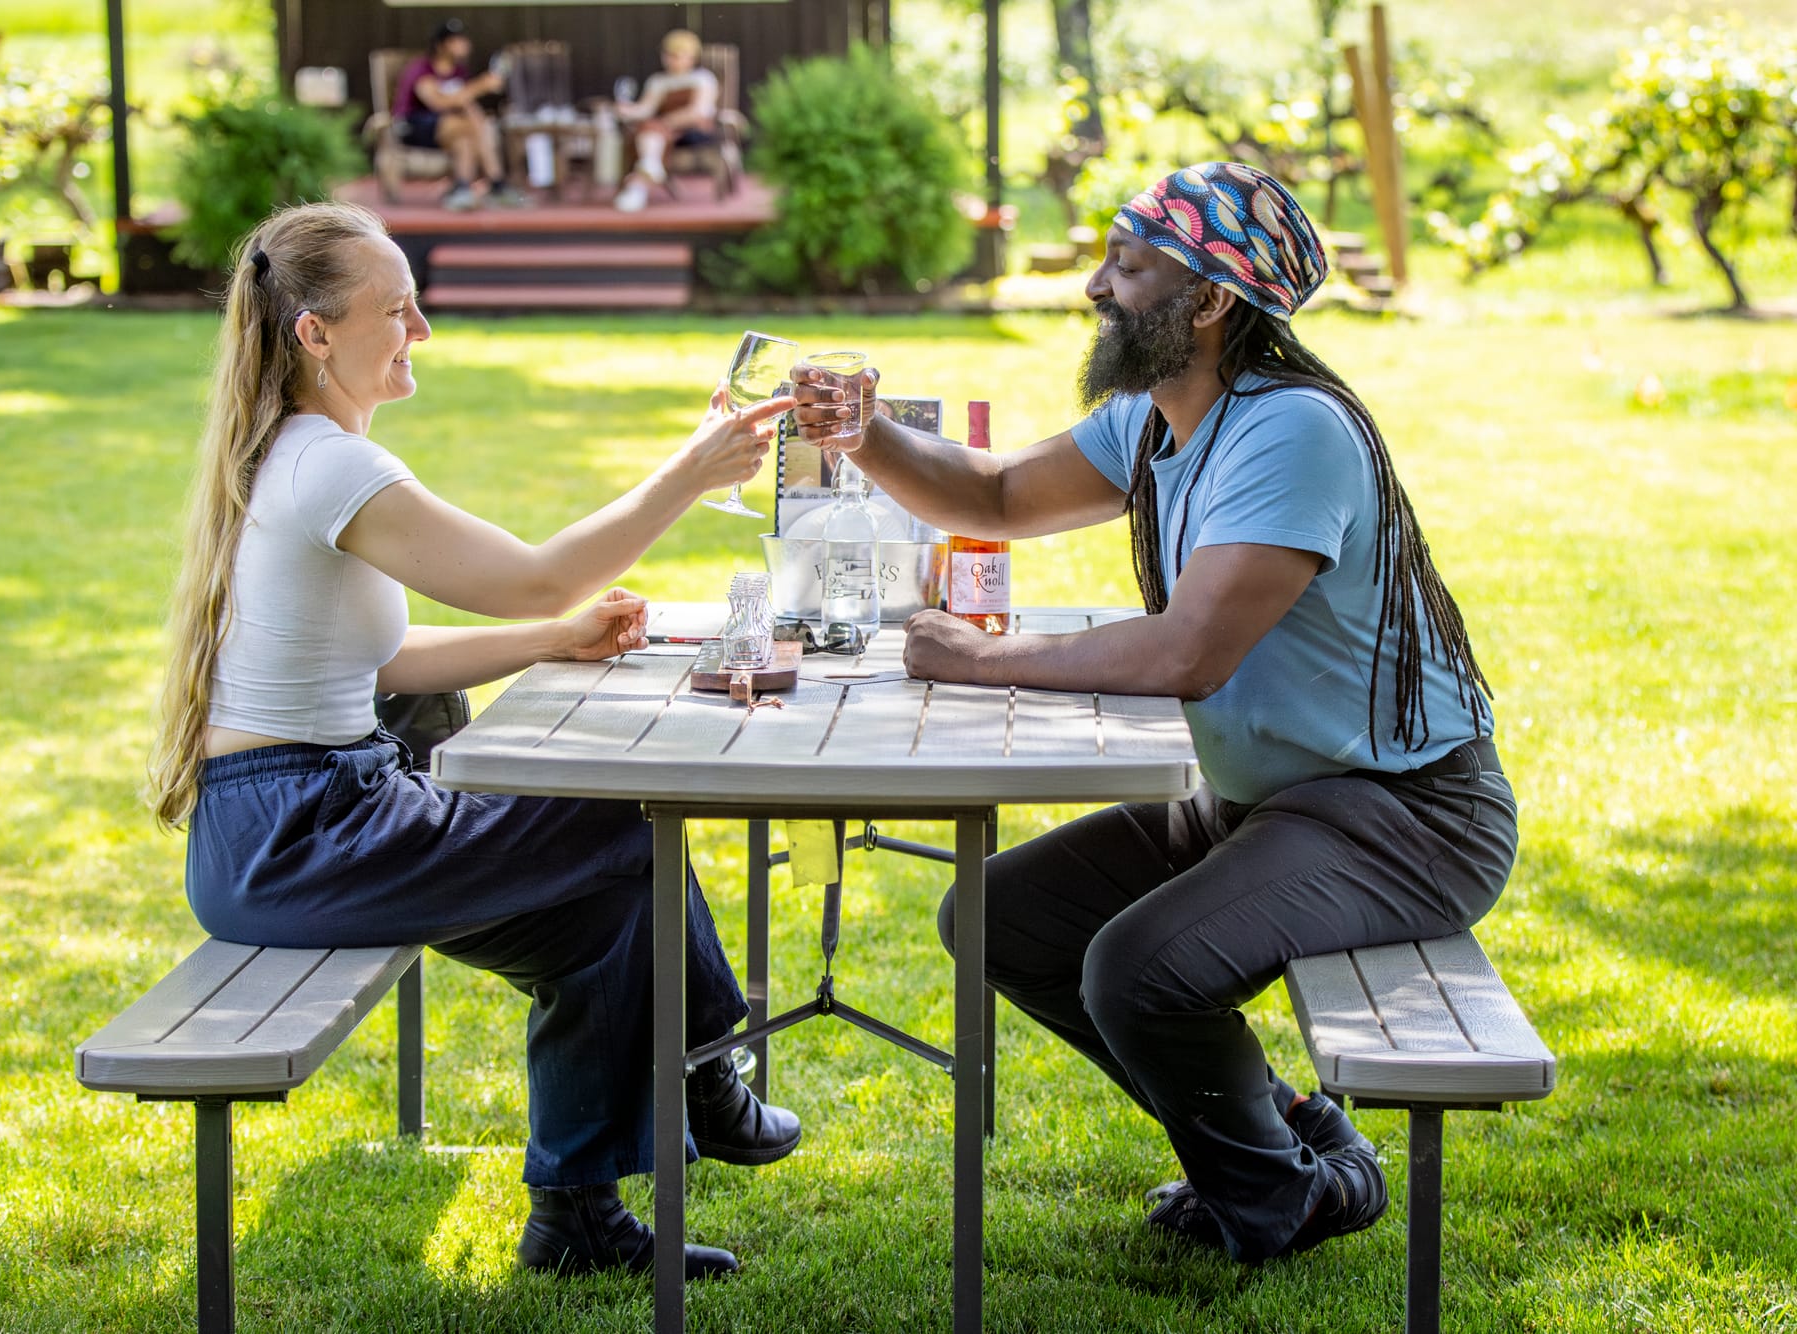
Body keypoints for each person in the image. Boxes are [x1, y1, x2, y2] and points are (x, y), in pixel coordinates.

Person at [789, 161, 1518, 1265]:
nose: (1094, 284)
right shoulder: (1154, 416)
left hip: (1400, 816)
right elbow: (989, 493)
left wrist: (979, 663)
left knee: (1135, 967)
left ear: (1210, 301)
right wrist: (864, 431)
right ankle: (1284, 1136)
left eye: (1127, 266)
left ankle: (1287, 1198)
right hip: (1264, 801)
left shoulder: (1293, 431)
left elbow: (1187, 650)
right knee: (999, 917)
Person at [148, 200, 800, 1279]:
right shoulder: (328, 466)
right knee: (635, 822)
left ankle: (576, 1220)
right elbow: (536, 569)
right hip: (303, 832)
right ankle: (708, 1079)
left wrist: (553, 640)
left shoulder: (307, 453)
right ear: (314, 333)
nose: (422, 330)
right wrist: (689, 471)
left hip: (301, 820)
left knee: (604, 908)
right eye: (396, 311)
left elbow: (380, 662)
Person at [391, 18, 520, 211]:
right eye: (455, 40)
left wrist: (477, 116)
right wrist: (481, 86)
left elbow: (465, 104)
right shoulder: (422, 68)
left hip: (452, 130)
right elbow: (437, 102)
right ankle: (496, 182)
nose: (463, 44)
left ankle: (462, 188)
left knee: (467, 133)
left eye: (463, 39)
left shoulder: (459, 71)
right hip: (413, 126)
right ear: (440, 45)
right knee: (468, 125)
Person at [611, 28, 721, 213]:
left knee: (648, 131)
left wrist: (665, 122)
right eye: (669, 54)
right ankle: (648, 169)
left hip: (692, 132)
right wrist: (627, 110)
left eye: (678, 55)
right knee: (647, 130)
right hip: (663, 132)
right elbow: (645, 109)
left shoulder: (703, 79)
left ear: (691, 56)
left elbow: (698, 112)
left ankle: (639, 186)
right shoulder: (659, 81)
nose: (672, 59)